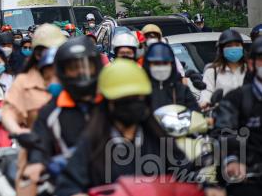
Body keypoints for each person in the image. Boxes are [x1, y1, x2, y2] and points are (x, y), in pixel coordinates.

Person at [55, 59, 192, 196]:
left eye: (136, 97)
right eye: (124, 99)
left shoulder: (157, 137)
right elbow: (68, 186)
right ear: (108, 102)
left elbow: (186, 174)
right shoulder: (92, 142)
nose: (131, 104)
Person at [22, 36, 102, 185]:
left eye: (86, 66)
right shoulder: (51, 111)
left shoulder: (109, 101)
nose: (80, 72)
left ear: (96, 67)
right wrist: (36, 163)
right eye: (73, 68)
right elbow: (40, 141)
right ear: (63, 72)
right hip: (71, 182)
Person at [212, 36, 262, 196]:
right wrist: (232, 160)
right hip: (248, 174)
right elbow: (223, 131)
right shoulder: (236, 98)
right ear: (252, 63)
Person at [1, 24, 66, 135]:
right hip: (36, 143)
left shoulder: (73, 75)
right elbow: (9, 112)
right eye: (47, 52)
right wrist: (19, 131)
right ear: (37, 54)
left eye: (56, 51)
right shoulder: (23, 81)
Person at [143, 42, 199, 111]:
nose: (161, 67)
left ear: (172, 65)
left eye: (165, 63)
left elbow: (195, 113)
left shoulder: (182, 90)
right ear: (148, 65)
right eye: (156, 63)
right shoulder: (141, 90)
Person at [199, 29, 247, 108]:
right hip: (221, 117)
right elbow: (206, 96)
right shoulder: (212, 72)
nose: (234, 49)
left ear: (242, 47)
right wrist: (205, 103)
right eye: (229, 46)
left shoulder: (250, 70)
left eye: (237, 45)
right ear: (221, 49)